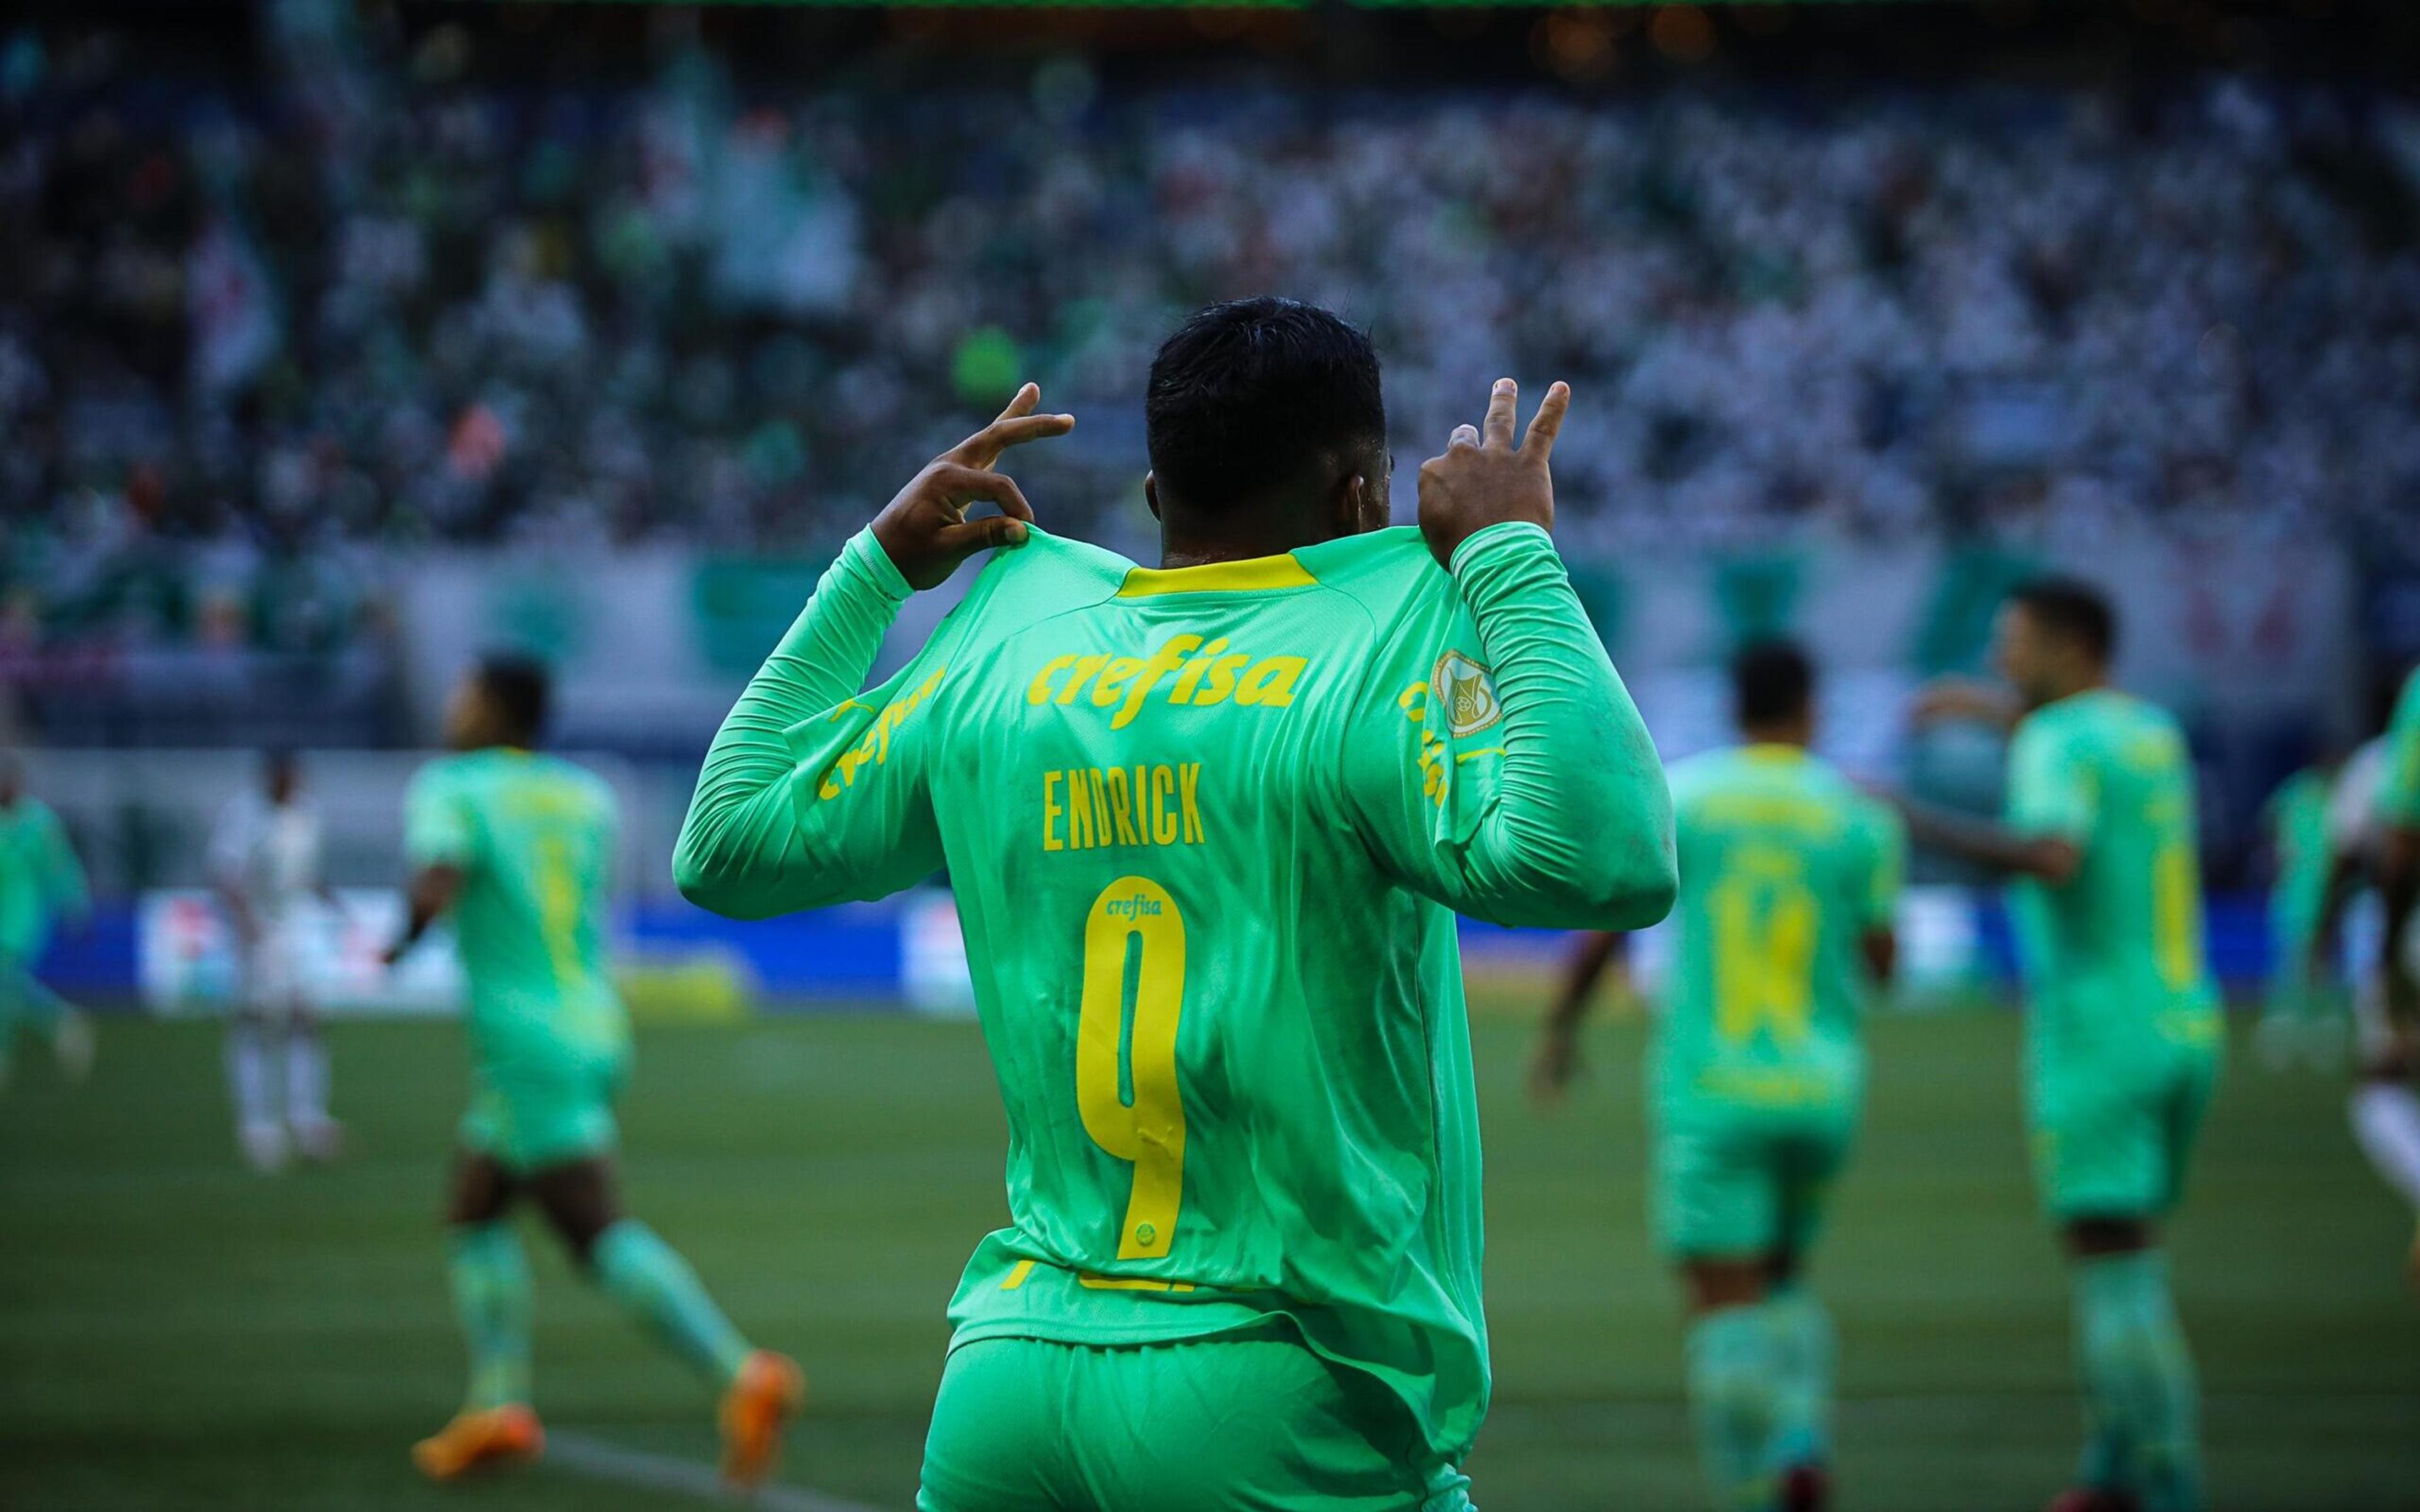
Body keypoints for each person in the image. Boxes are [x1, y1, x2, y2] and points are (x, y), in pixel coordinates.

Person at [676, 297, 1676, 1512]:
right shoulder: (1376, 641)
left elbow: (722, 844)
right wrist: (1511, 552)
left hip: (1014, 1379)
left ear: (1155, 496)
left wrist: (874, 567)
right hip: (1279, 1382)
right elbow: (1611, 858)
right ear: (1364, 499)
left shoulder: (1016, 640)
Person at [388, 656, 802, 1487]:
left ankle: (742, 1375)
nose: (452, 706)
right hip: (592, 1016)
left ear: (495, 711)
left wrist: (401, 938)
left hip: (523, 1037)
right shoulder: (586, 797)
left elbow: (439, 881)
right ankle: (498, 1402)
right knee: (475, 1204)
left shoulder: (455, 788)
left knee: (595, 1230)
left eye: (464, 694)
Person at [1533, 640, 1902, 1512]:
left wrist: (1560, 1028)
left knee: (1720, 1297)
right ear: (1812, 707)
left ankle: (1768, 1469)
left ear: (1733, 705)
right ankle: (1805, 1435)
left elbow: (1613, 919)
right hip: (1823, 1085)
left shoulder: (1687, 795)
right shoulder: (1856, 813)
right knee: (1785, 1277)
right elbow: (1884, 962)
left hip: (1715, 1087)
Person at [1895, 580, 2218, 1512]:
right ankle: (2112, 1472)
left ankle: (2168, 1482)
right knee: (2131, 1255)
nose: (2002, 660)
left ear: (2068, 647)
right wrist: (1990, 711)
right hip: (2183, 1024)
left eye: (2014, 643)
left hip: (2098, 1035)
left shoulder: (2053, 741)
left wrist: (1916, 822)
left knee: (2114, 1268)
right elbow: (2078, 749)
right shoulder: (2146, 729)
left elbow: (2054, 854)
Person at [210, 750, 345, 1170]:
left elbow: (305, 872)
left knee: (306, 1020)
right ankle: (257, 1124)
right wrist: (248, 924)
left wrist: (331, 900)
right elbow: (226, 874)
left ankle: (307, 1118)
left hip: (297, 930)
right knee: (256, 1022)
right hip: (260, 932)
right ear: (271, 778)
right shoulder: (244, 814)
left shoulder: (308, 813)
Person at [2337, 665, 2420, 1286]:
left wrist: (2386, 961)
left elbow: (2384, 849)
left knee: (2380, 1081)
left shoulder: (2374, 763)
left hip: (2405, 927)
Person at [0, 755, 93, 1091]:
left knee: (5, 977)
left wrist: (75, 902)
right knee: (6, 986)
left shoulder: (38, 822)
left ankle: (58, 1022)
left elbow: (61, 865)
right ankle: (57, 1025)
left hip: (24, 912)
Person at [2253, 754, 2343, 1072]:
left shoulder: (2299, 792)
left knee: (2298, 960)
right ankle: (2310, 1023)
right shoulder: (2329, 793)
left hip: (2305, 889)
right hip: (2311, 889)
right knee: (2304, 960)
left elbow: (2268, 822)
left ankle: (2300, 1023)